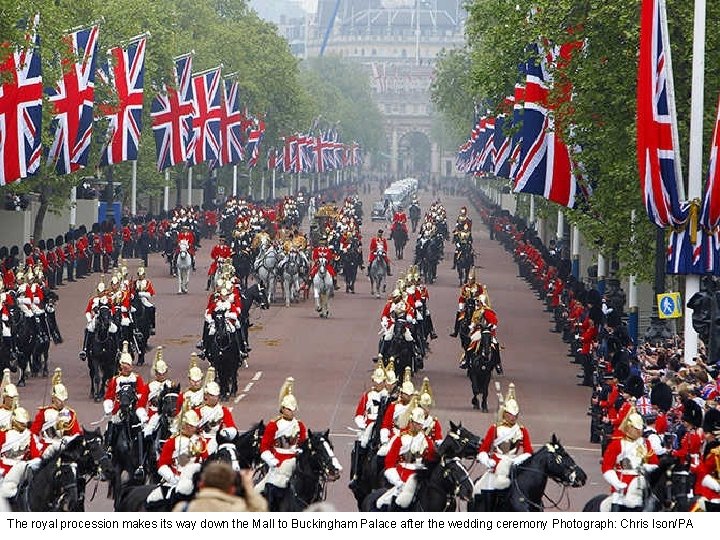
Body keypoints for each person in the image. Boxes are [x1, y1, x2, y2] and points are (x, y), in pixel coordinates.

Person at [474, 383, 533, 511]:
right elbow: (483, 450)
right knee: (488, 486)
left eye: (515, 415)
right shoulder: (495, 429)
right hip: (496, 463)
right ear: (505, 414)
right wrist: (487, 461)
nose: (513, 417)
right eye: (510, 414)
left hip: (513, 463)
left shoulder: (522, 430)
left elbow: (528, 451)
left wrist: (517, 460)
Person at [256, 377, 308, 511]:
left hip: (295, 460)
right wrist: (272, 461)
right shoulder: (274, 425)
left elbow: (302, 443)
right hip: (277, 462)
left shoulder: (300, 425)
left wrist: (300, 453)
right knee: (260, 489)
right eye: (289, 409)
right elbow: (264, 447)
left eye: (293, 409)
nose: (292, 412)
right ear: (283, 409)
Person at [375, 401, 436, 510]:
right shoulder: (400, 438)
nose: (419, 426)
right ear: (411, 422)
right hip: (402, 471)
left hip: (420, 473)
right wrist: (396, 479)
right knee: (399, 491)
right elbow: (390, 462)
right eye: (417, 423)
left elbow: (432, 458)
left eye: (420, 424)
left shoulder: (427, 440)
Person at [601, 408, 659, 511]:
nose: (639, 431)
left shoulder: (646, 443)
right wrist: (616, 482)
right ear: (629, 427)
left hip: (643, 483)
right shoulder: (617, 444)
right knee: (615, 502)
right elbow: (607, 467)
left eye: (640, 428)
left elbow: (655, 463)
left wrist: (647, 468)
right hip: (622, 484)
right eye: (636, 428)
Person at [147, 408, 208, 506]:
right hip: (175, 478)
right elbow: (162, 464)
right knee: (152, 500)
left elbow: (205, 460)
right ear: (183, 425)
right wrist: (173, 479)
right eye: (191, 426)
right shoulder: (172, 442)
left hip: (194, 478)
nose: (194, 429)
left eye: (194, 426)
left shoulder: (200, 442)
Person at [103, 341, 149, 446]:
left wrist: (136, 398)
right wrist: (109, 406)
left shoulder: (136, 378)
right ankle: (108, 447)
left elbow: (141, 392)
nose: (125, 368)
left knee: (143, 426)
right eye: (124, 366)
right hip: (119, 407)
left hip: (134, 406)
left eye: (127, 365)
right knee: (111, 425)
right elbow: (109, 395)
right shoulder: (116, 380)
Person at [173, 461, 268, 512]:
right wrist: (248, 486)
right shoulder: (240, 510)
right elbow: (261, 509)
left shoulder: (183, 509)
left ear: (200, 485)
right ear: (232, 489)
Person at [30, 368, 83, 457]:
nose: (62, 402)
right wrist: (38, 446)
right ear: (53, 398)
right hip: (47, 446)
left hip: (64, 445)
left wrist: (68, 440)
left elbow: (76, 432)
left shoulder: (70, 413)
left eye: (63, 400)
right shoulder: (44, 413)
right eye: (59, 399)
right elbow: (33, 432)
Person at [0, 407, 41, 500]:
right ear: (14, 422)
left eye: (25, 423)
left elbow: (35, 455)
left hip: (22, 467)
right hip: (4, 468)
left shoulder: (29, 435)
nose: (24, 425)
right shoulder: (4, 435)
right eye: (21, 423)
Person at [194, 367, 237, 454]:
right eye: (212, 396)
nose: (214, 398)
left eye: (216, 396)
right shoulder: (198, 411)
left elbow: (232, 427)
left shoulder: (224, 411)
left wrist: (225, 432)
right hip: (201, 439)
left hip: (219, 439)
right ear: (206, 396)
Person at [143, 347, 174, 437]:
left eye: (163, 374)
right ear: (156, 373)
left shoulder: (170, 385)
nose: (161, 376)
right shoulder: (149, 386)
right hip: (154, 414)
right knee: (146, 433)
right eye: (159, 374)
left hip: (168, 416)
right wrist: (143, 416)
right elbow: (141, 404)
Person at [693, 408, 720, 510]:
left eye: (707, 433)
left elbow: (704, 470)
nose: (705, 436)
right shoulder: (712, 450)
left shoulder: (715, 453)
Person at [135, 266, 156, 335]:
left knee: (151, 309)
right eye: (139, 275)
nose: (140, 276)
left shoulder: (147, 283)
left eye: (142, 275)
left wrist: (141, 294)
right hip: (136, 299)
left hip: (144, 299)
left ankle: (152, 326)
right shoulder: (134, 283)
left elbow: (151, 293)